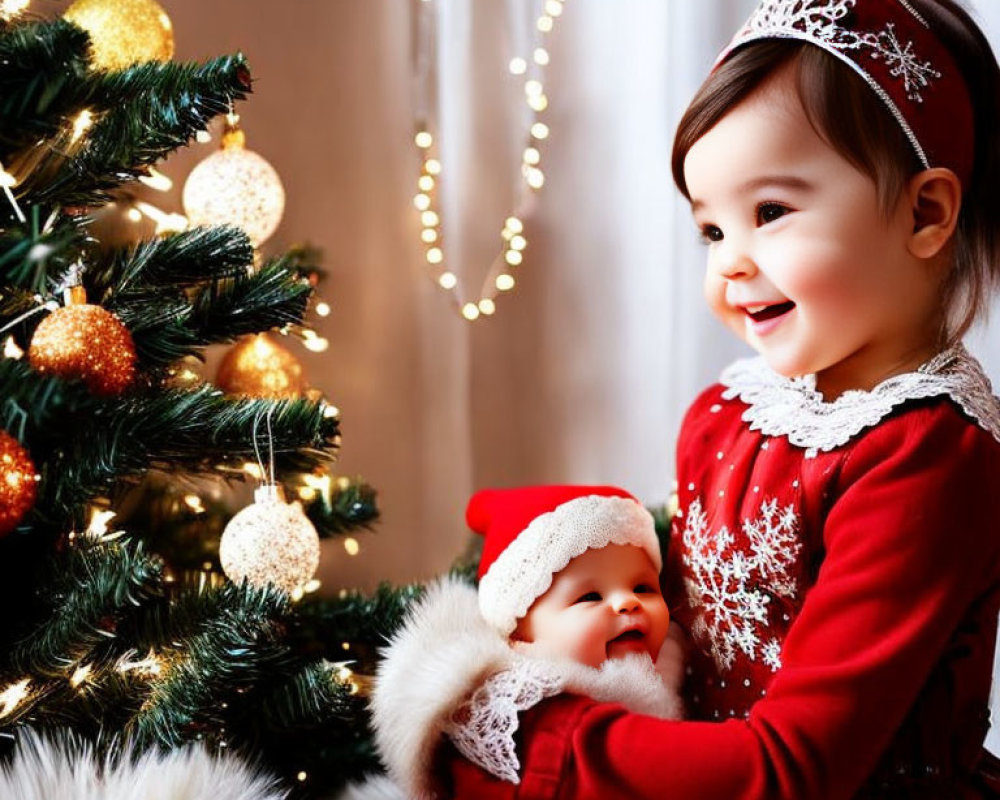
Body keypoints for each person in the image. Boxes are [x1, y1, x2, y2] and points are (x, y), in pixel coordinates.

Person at [387, 1, 1000, 798]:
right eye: (711, 230)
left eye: (770, 213)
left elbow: (790, 770)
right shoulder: (731, 412)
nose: (731, 264)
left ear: (926, 213)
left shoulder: (925, 457)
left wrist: (544, 736)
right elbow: (664, 631)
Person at [363, 485, 684, 799]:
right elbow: (660, 758)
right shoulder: (528, 706)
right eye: (590, 596)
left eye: (643, 588)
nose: (628, 603)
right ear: (520, 635)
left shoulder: (673, 675)